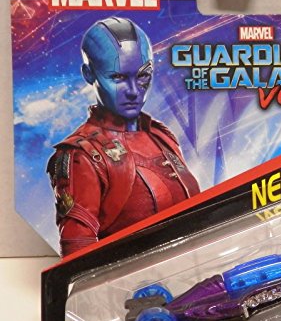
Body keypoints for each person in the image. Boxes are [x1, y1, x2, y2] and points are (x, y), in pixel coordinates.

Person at [47, 17, 200, 256]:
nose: (133, 91)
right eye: (117, 78)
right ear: (89, 74)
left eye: (143, 76)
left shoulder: (161, 134)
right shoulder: (81, 155)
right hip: (136, 275)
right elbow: (78, 252)